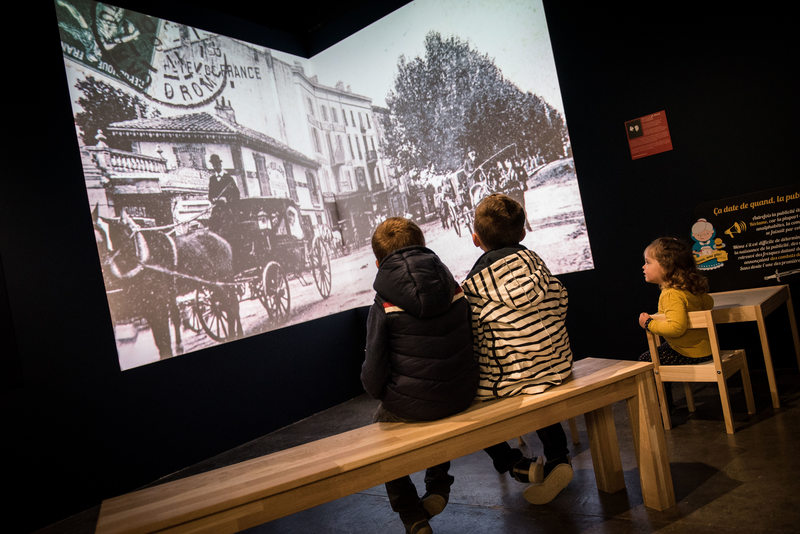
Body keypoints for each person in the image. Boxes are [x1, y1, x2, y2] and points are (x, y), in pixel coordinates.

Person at [361, 217, 478, 534]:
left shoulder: (382, 303)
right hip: (463, 393)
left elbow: (372, 379)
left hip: (416, 405)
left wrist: (389, 392)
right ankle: (438, 483)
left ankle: (411, 514)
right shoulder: (453, 287)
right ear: (423, 246)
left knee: (380, 430)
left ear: (377, 262)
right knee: (438, 401)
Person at [462, 193, 574, 505]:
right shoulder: (538, 266)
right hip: (558, 366)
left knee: (467, 408)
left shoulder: (474, 285)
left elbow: (473, 336)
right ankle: (558, 456)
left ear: (475, 239)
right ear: (523, 234)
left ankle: (514, 464)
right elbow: (561, 302)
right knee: (536, 374)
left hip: (512, 380)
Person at [638, 237, 715, 408]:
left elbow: (676, 328)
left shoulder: (671, 294)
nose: (644, 267)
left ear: (666, 266)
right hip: (706, 349)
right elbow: (709, 303)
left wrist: (649, 323)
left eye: (648, 262)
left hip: (688, 352)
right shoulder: (687, 288)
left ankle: (661, 407)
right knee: (659, 353)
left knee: (646, 360)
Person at [207, 154, 240, 240]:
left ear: (220, 165)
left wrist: (227, 200)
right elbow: (210, 194)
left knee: (228, 230)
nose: (216, 166)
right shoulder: (212, 179)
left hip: (227, 209)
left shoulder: (229, 179)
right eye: (214, 165)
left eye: (217, 164)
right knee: (213, 228)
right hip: (217, 209)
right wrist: (212, 199)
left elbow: (237, 194)